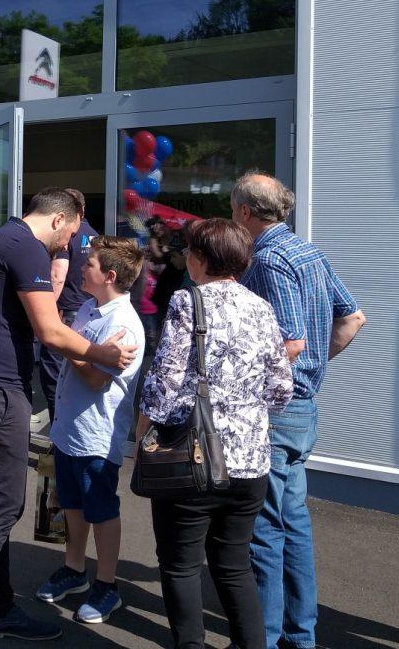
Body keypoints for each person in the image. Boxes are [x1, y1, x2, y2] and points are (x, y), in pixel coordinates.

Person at [0, 188, 137, 649]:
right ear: (58, 219)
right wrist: (102, 352)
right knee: (2, 506)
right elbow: (50, 331)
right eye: (70, 235)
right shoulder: (27, 246)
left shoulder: (2, 238)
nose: (69, 247)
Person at [137, 218, 294, 649]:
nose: (186, 257)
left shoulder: (188, 301)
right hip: (251, 464)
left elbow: (164, 381)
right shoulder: (261, 307)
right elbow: (281, 389)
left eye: (190, 250)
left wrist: (143, 429)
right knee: (234, 565)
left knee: (181, 565)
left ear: (202, 258)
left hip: (194, 458)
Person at [230, 173, 366, 649]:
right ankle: (299, 635)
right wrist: (313, 371)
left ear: (245, 212)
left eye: (233, 209)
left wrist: (271, 376)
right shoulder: (308, 252)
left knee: (265, 529)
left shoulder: (268, 260)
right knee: (293, 522)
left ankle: (264, 638)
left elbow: (291, 341)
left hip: (277, 409)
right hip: (303, 408)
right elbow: (352, 317)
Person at [37, 236, 145, 624]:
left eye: (90, 264)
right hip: (68, 429)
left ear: (110, 276)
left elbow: (97, 379)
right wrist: (77, 345)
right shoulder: (89, 307)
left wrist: (69, 345)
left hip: (96, 437)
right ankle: (74, 569)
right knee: (70, 503)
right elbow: (80, 350)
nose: (82, 267)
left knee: (101, 510)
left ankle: (107, 584)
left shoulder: (124, 325)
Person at [36, 188, 98, 426]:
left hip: (65, 316)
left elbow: (57, 276)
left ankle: (57, 435)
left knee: (55, 379)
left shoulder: (67, 234)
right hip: (87, 313)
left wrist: (45, 312)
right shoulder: (95, 236)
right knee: (77, 379)